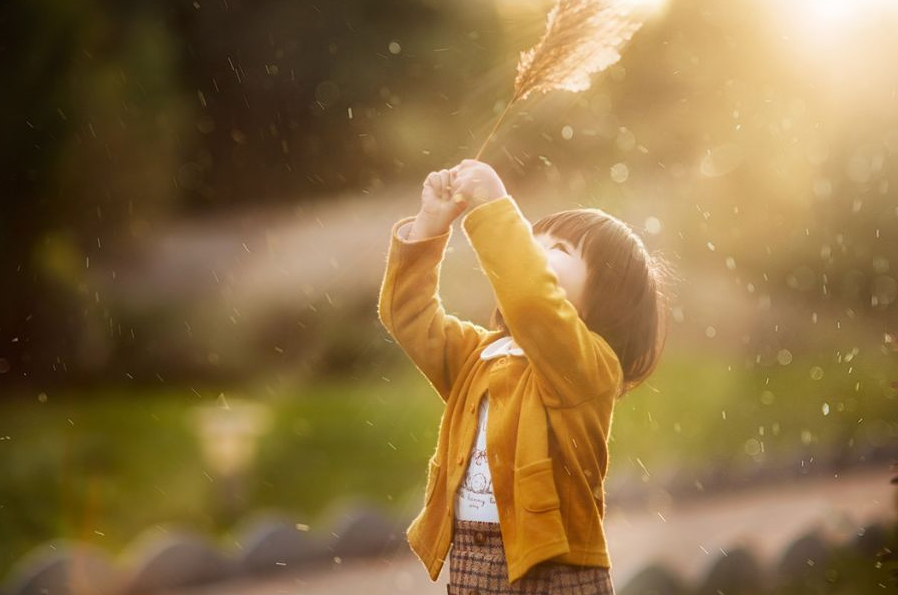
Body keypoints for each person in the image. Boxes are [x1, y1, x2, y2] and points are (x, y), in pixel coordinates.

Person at [377, 159, 675, 594]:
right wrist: (429, 227)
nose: (532, 251)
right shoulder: (481, 355)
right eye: (530, 240)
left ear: (603, 299)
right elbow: (408, 316)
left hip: (554, 563)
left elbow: (533, 299)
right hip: (472, 556)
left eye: (558, 250)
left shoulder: (588, 367)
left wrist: (495, 203)